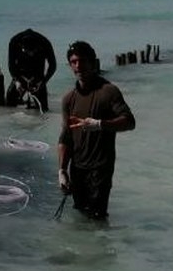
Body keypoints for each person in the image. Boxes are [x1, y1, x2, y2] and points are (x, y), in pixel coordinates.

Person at [57, 41, 135, 220]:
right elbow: (65, 136)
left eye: (83, 61)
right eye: (74, 62)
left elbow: (130, 122)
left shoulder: (108, 91)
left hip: (100, 168)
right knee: (80, 217)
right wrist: (61, 170)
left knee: (98, 219)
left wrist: (100, 124)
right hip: (77, 168)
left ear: (93, 63)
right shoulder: (69, 99)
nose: (78, 66)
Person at [6, 28, 57, 111]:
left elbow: (53, 65)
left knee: (43, 109)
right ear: (21, 47)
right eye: (28, 52)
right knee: (9, 103)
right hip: (20, 74)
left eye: (33, 52)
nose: (31, 54)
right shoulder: (14, 41)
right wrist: (17, 80)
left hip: (38, 75)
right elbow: (11, 64)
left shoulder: (45, 43)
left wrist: (43, 81)